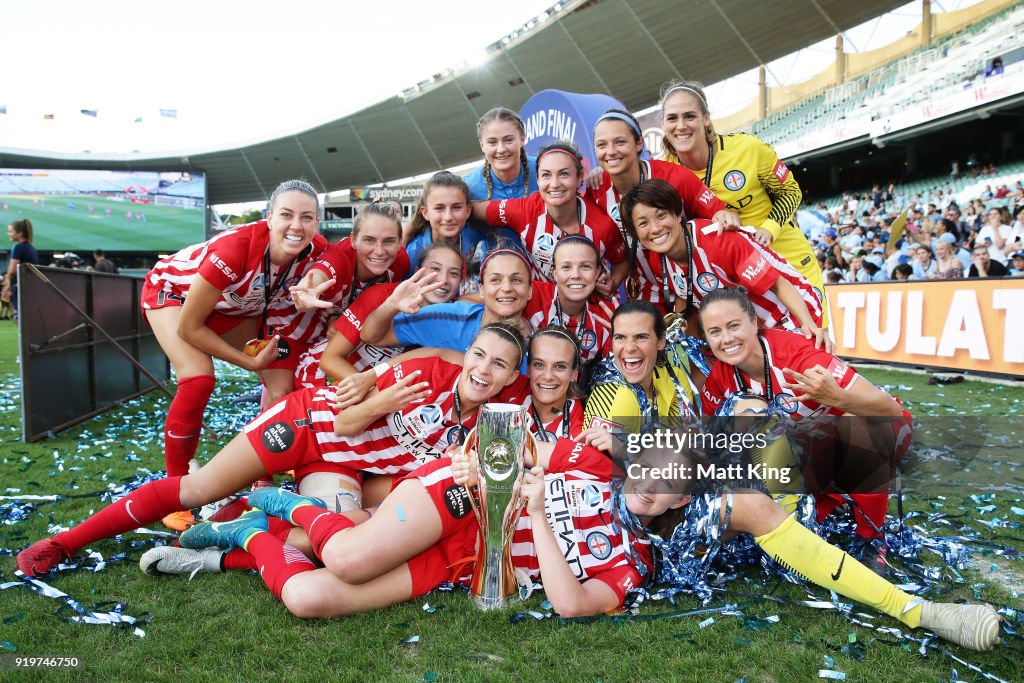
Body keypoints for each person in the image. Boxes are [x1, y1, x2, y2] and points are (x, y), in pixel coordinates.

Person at [16, 324, 529, 578]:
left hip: (340, 463)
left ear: (509, 377)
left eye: (499, 365)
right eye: (479, 355)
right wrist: (385, 400)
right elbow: (349, 421)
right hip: (308, 423)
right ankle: (67, 542)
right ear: (467, 356)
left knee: (339, 541)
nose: (484, 369)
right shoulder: (427, 374)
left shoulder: (489, 422)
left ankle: (230, 533)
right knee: (199, 486)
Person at [628, 442, 1001, 652]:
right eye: (643, 470)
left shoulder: (692, 506)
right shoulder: (591, 472)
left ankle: (914, 609)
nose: (649, 483)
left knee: (762, 480)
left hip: (728, 515)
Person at [139, 179, 330, 530]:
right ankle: (173, 493)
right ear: (269, 218)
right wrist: (247, 362)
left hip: (233, 308)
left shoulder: (317, 249)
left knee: (281, 384)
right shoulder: (236, 248)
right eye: (286, 215)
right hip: (174, 298)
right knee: (198, 379)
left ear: (317, 223)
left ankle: (263, 484)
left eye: (307, 217)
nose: (296, 225)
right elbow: (189, 327)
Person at [697, 287, 913, 566]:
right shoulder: (720, 377)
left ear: (754, 323)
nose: (726, 339)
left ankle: (871, 539)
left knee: (857, 424)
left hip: (879, 428)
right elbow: (709, 442)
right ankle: (830, 502)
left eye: (734, 325)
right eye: (715, 331)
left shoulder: (796, 355)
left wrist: (837, 397)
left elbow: (890, 410)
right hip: (813, 446)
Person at [657, 80, 827, 322]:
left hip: (789, 262)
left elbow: (790, 192)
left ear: (706, 118)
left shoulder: (747, 148)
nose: (681, 125)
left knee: (815, 344)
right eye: (672, 118)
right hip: (737, 281)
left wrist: (769, 230)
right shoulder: (664, 172)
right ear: (664, 124)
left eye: (690, 116)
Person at [619, 179, 827, 350]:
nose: (655, 228)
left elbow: (778, 284)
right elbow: (688, 299)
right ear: (635, 233)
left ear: (676, 213)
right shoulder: (657, 260)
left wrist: (808, 325)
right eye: (643, 223)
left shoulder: (718, 241)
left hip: (791, 313)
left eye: (661, 215)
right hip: (748, 332)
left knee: (804, 387)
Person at [583, 109, 740, 311]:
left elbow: (718, 215)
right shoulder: (595, 191)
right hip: (648, 292)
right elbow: (616, 249)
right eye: (602, 145)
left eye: (620, 142)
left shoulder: (676, 177)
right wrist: (613, 279)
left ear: (639, 143)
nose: (611, 151)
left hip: (697, 284)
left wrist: (723, 215)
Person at [473, 141, 627, 296]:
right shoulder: (525, 210)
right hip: (543, 309)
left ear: (579, 178)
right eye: (546, 175)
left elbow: (622, 260)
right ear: (538, 180)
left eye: (564, 174)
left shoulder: (602, 224)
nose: (554, 184)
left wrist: (613, 282)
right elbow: (471, 209)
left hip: (591, 305)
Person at [312, 243, 465, 385]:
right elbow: (329, 360)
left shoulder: (455, 316)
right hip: (322, 377)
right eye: (435, 269)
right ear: (418, 271)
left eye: (454, 273)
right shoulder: (380, 296)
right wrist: (375, 393)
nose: (443, 279)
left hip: (378, 395)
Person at [360, 249, 535, 369]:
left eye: (517, 280)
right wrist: (390, 305)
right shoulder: (450, 318)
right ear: (480, 289)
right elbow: (372, 336)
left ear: (529, 291)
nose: (506, 288)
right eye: (495, 280)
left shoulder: (539, 343)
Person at [584, 300, 700, 438]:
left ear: (661, 341)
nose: (629, 348)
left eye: (641, 337)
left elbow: (685, 441)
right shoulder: (618, 398)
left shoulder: (675, 377)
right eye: (620, 337)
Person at [289, 200, 411, 329]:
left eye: (388, 241)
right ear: (353, 240)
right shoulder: (340, 255)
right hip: (303, 333)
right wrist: (305, 292)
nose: (379, 251)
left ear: (399, 242)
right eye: (369, 240)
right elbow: (319, 275)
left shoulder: (402, 262)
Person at [522, 236, 615, 369]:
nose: (576, 275)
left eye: (585, 267)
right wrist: (517, 320)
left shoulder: (607, 316)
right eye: (566, 267)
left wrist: (622, 336)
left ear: (597, 272)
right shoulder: (532, 294)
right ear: (554, 273)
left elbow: (617, 372)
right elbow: (490, 297)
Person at [403, 171, 500, 293]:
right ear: (425, 213)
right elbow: (405, 293)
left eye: (456, 207)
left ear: (468, 210)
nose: (448, 217)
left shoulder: (472, 232)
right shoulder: (414, 252)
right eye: (439, 208)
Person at [463, 107, 538, 201]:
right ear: (482, 145)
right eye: (492, 142)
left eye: (508, 140)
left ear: (522, 139)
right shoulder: (467, 187)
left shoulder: (544, 171)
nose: (501, 149)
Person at [524, 326, 586, 441]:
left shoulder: (585, 429)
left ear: (574, 374)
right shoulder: (507, 395)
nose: (548, 376)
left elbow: (625, 457)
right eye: (539, 364)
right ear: (528, 369)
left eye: (560, 366)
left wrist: (619, 449)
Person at [3, 219, 40, 321]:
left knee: (19, 319)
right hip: (30, 287)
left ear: (20, 233)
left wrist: (7, 286)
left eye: (11, 231)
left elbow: (12, 271)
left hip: (20, 287)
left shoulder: (18, 247)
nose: (8, 234)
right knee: (25, 319)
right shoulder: (31, 248)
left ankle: (30, 337)